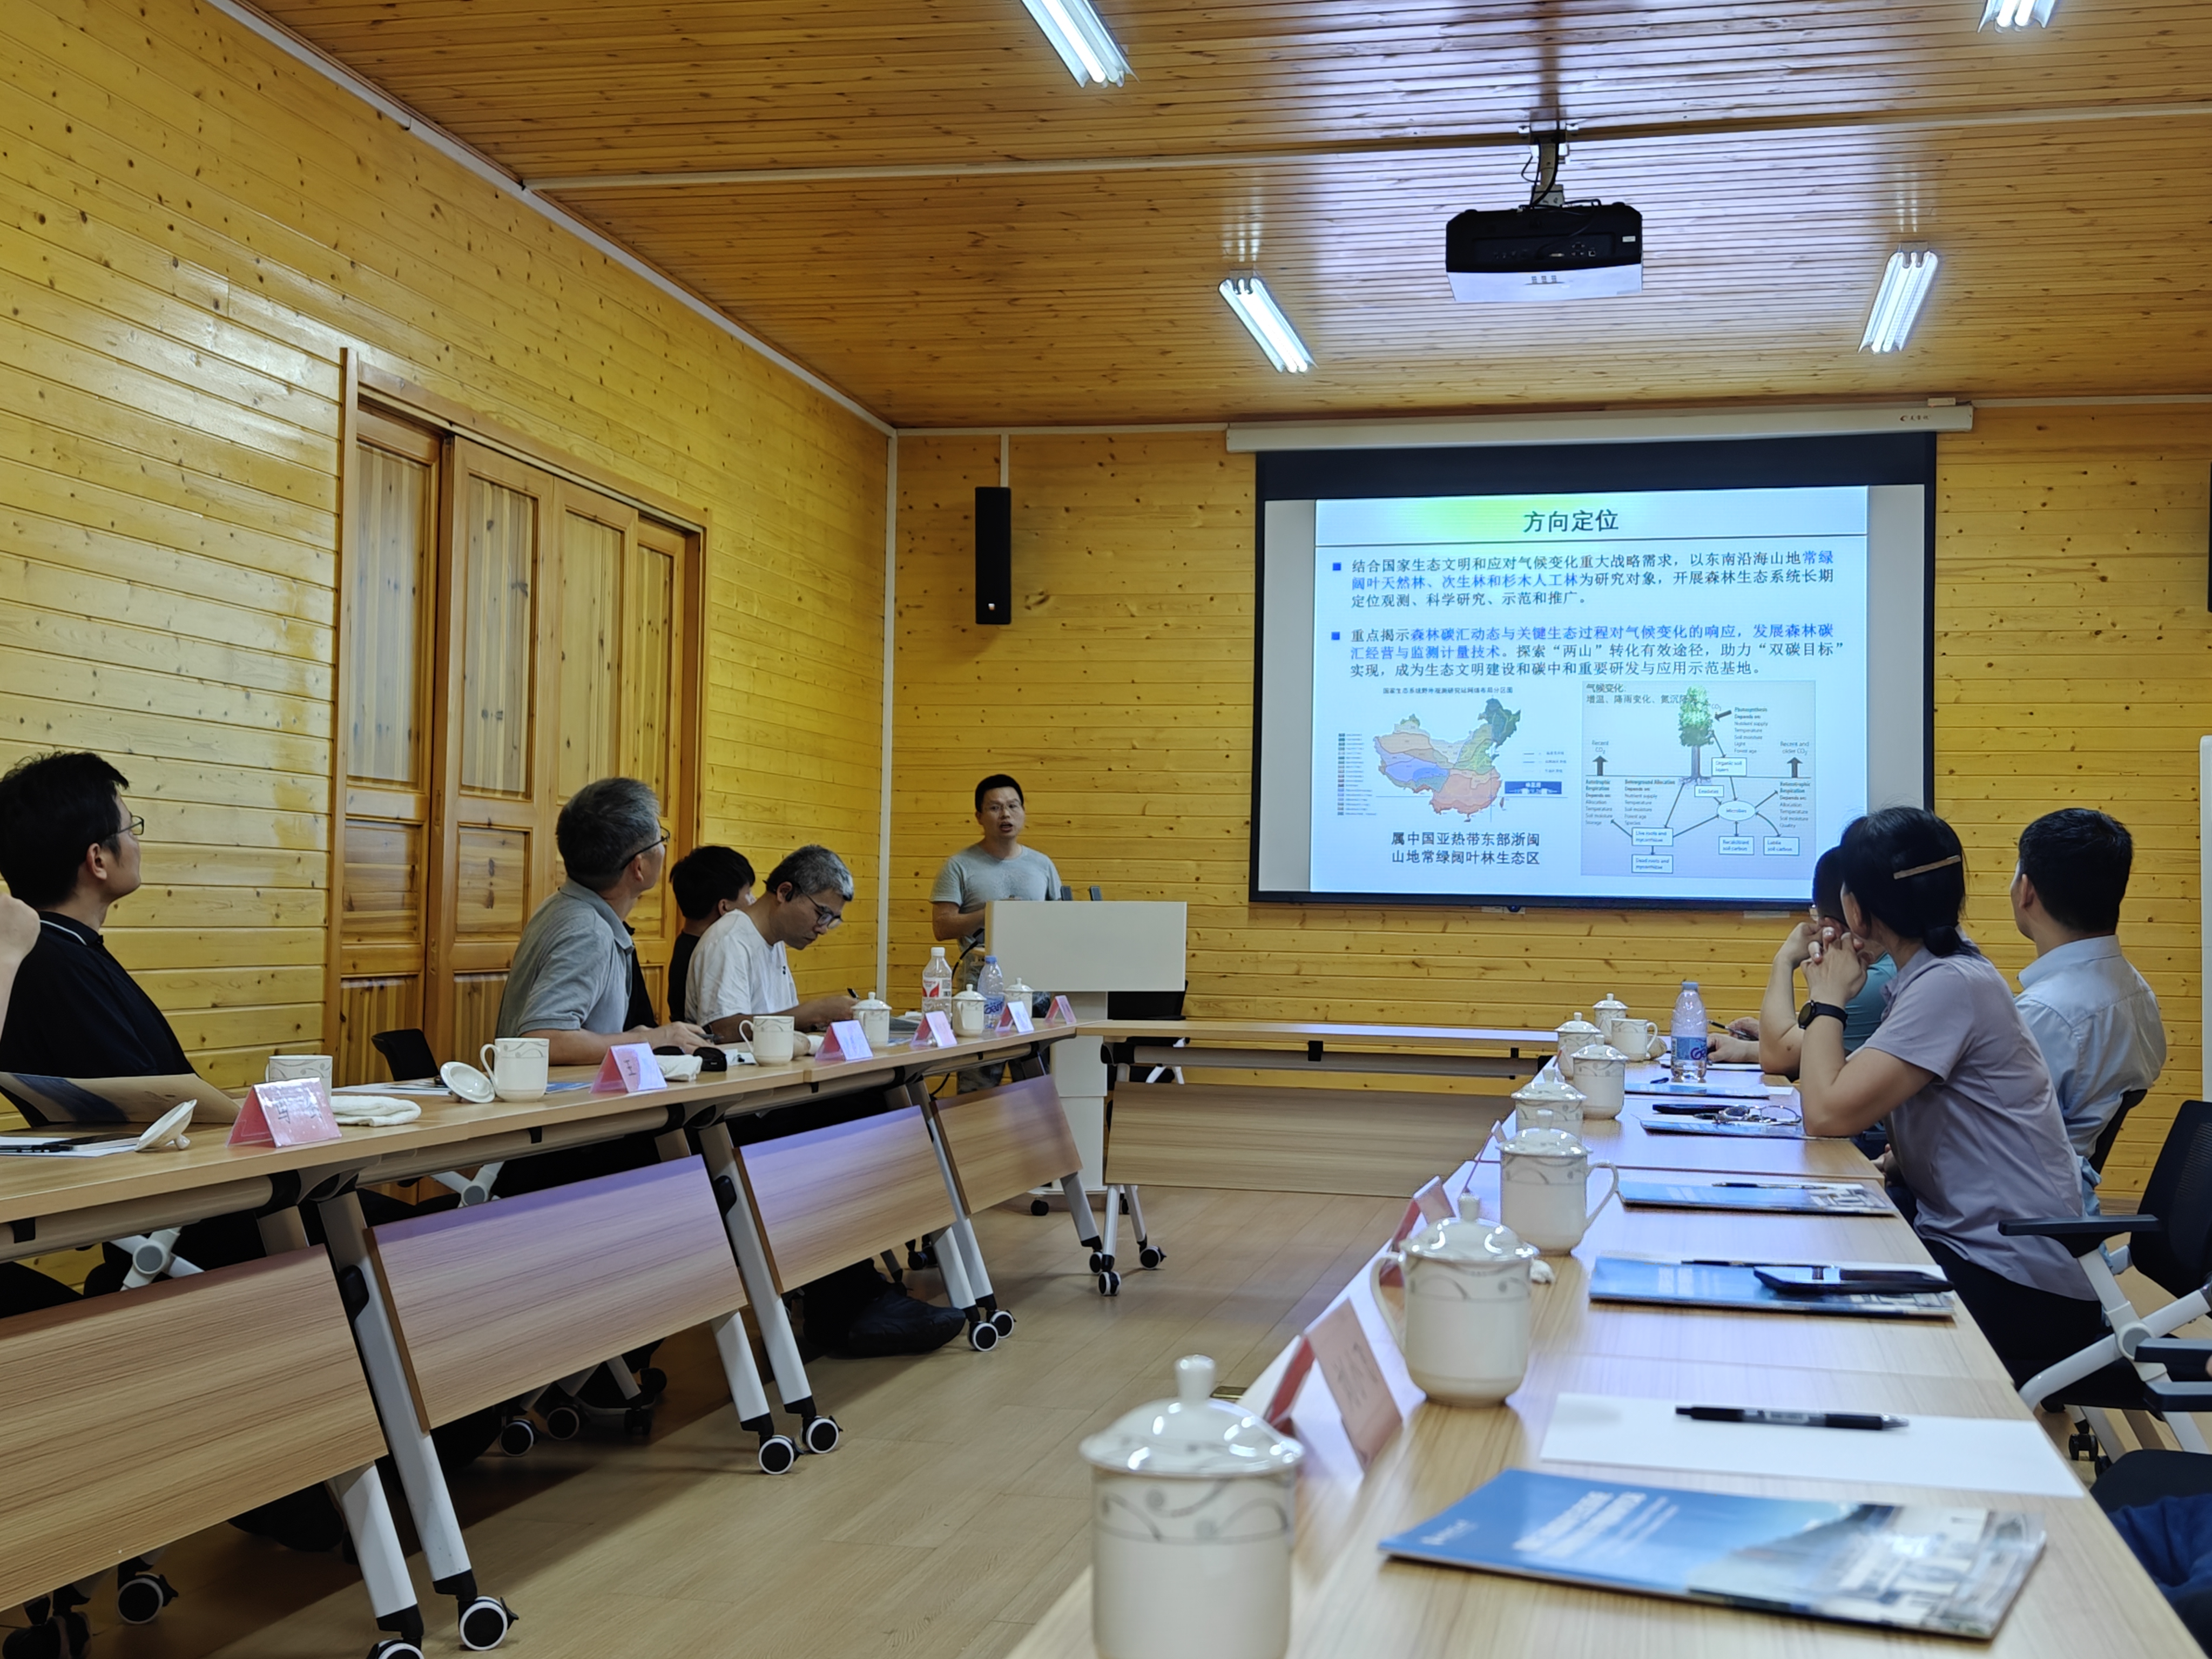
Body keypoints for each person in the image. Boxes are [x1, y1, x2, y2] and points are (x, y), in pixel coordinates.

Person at [1792, 807, 2107, 1390]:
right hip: (1982, 1252)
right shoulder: (1941, 972)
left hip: (2015, 1282)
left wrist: (1827, 999)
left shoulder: (1948, 984)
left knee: (1813, 1304)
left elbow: (1826, 1112)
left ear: (1855, 909)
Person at [0, 752, 193, 1080]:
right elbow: (147, 1098)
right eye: (130, 829)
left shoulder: (59, 951)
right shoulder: (60, 965)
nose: (136, 844)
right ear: (98, 860)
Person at [2010, 808, 2166, 1211]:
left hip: (2015, 1216)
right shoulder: (2140, 993)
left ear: (2026, 891)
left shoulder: (2045, 1014)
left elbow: (1985, 1141)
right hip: (2063, 1205)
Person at [496, 777, 708, 1063]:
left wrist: (633, 1036)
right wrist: (653, 1039)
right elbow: (543, 1040)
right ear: (639, 868)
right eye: (661, 839)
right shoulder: (589, 931)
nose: (664, 848)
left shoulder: (561, 906)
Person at [1712, 847, 1897, 1074]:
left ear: (1830, 925)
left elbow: (1779, 1057)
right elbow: (1813, 1046)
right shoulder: (1890, 965)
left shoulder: (1873, 982)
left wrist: (1785, 960)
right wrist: (1750, 1046)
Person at [687, 844, 857, 1036]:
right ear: (784, 892)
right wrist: (815, 1012)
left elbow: (781, 1020)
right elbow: (723, 1031)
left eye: (831, 920)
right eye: (821, 914)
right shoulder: (729, 940)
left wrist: (820, 1022)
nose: (823, 929)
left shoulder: (775, 940)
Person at [930, 774, 1062, 984]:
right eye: (995, 808)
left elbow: (1061, 921)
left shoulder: (1042, 864)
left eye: (1013, 806)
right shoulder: (958, 865)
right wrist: (992, 913)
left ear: (1023, 811)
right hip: (978, 986)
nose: (1005, 814)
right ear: (979, 817)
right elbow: (942, 927)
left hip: (1036, 984)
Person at [666, 846, 754, 1026]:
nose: (754, 901)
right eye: (748, 894)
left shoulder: (686, 942)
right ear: (725, 907)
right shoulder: (714, 951)